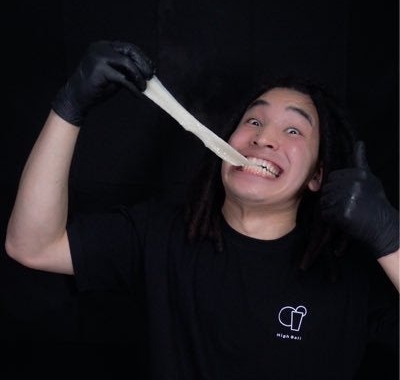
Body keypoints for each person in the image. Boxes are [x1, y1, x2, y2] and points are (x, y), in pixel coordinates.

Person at [5, 40, 399, 379]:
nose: (263, 137)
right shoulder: (159, 233)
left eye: (293, 130)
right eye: (253, 120)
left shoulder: (347, 273)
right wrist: (69, 106)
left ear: (316, 176)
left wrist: (390, 237)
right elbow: (32, 246)